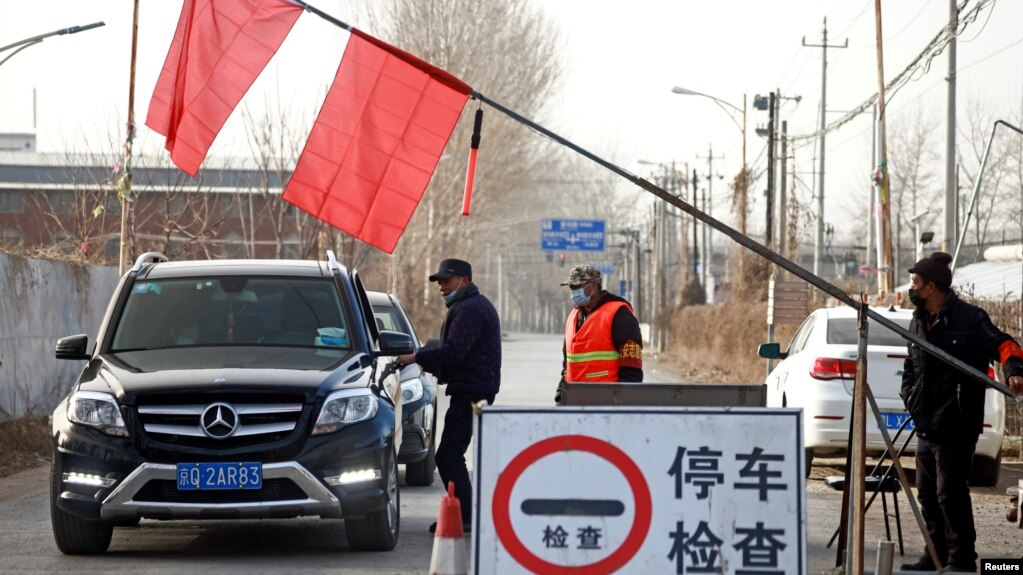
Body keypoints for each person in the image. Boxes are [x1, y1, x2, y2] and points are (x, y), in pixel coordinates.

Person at [899, 251, 1023, 572]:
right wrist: (909, 396)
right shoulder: (919, 319)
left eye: (915, 281)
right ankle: (935, 555)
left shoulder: (970, 319)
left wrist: (1014, 370)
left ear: (932, 286)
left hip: (957, 422)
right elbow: (911, 365)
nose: (911, 286)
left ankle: (962, 559)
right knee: (927, 494)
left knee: (949, 493)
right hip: (927, 422)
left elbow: (1005, 344)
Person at [395, 258, 501, 534]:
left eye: (446, 280)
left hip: (472, 392)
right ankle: (467, 513)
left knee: (448, 455)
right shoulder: (469, 306)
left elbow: (454, 351)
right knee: (453, 453)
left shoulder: (471, 309)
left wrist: (415, 357)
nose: (441, 286)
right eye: (439, 282)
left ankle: (465, 515)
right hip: (473, 389)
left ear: (464, 280)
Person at [556, 264, 643, 404]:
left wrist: (625, 399)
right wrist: (561, 391)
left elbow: (632, 363)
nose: (573, 291)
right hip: (574, 402)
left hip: (607, 403)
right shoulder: (573, 316)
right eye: (571, 287)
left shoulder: (619, 314)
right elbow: (568, 361)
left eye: (577, 287)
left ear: (593, 286)